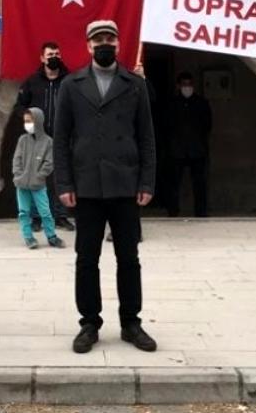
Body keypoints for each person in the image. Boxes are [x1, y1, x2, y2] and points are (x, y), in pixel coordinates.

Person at [54, 20, 157, 355]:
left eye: (110, 38)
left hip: (125, 184)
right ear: (87, 45)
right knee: (87, 258)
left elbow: (146, 137)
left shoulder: (134, 84)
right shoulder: (72, 85)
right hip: (86, 185)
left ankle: (131, 322)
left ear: (118, 42)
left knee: (129, 257)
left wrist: (146, 181)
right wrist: (64, 182)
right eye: (98, 39)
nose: (104, 44)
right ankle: (89, 322)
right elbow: (61, 139)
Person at [15, 42, 74, 231]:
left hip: (63, 136)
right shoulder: (32, 81)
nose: (53, 57)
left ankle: (61, 216)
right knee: (37, 177)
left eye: (57, 53)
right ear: (42, 58)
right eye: (50, 54)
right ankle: (36, 217)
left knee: (61, 176)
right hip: (38, 138)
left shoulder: (70, 81)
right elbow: (20, 107)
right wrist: (29, 122)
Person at [12, 108, 66, 250]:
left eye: (29, 121)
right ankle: (28, 237)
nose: (27, 124)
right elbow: (16, 159)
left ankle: (51, 236)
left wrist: (39, 175)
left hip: (39, 185)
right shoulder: (22, 140)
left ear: (38, 121)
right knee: (23, 212)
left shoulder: (48, 142)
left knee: (45, 211)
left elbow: (49, 162)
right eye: (25, 121)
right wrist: (18, 175)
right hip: (22, 184)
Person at [165, 72, 212, 218]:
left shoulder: (201, 103)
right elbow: (165, 126)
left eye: (189, 84)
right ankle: (173, 211)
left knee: (199, 183)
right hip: (176, 150)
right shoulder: (172, 103)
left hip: (197, 149)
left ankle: (201, 212)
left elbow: (208, 124)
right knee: (173, 183)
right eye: (184, 84)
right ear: (178, 86)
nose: (187, 87)